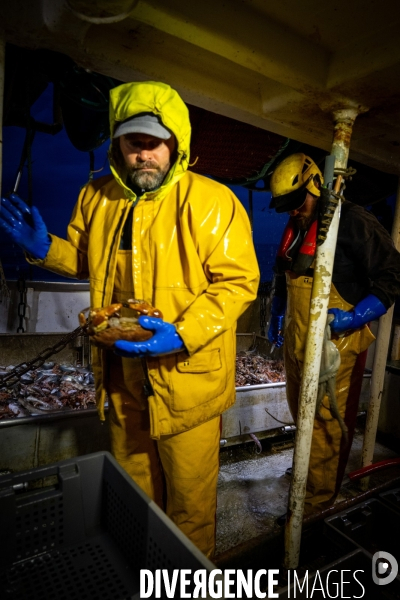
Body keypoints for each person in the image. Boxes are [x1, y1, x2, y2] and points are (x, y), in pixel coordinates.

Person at [0, 81, 260, 557]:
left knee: (190, 505)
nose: (145, 155)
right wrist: (44, 251)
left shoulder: (212, 200)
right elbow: (86, 259)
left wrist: (182, 334)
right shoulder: (96, 197)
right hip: (121, 378)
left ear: (175, 143)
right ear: (117, 142)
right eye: (134, 142)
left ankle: (184, 585)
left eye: (155, 143)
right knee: (135, 492)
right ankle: (146, 572)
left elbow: (237, 282)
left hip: (187, 382)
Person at [267, 152, 400, 516]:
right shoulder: (296, 225)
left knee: (325, 423)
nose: (293, 211)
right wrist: (277, 312)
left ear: (316, 184)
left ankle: (316, 507)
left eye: (297, 202)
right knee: (301, 412)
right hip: (297, 338)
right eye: (286, 206)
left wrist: (356, 317)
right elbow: (284, 274)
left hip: (334, 345)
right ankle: (308, 474)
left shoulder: (355, 221)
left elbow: (392, 277)